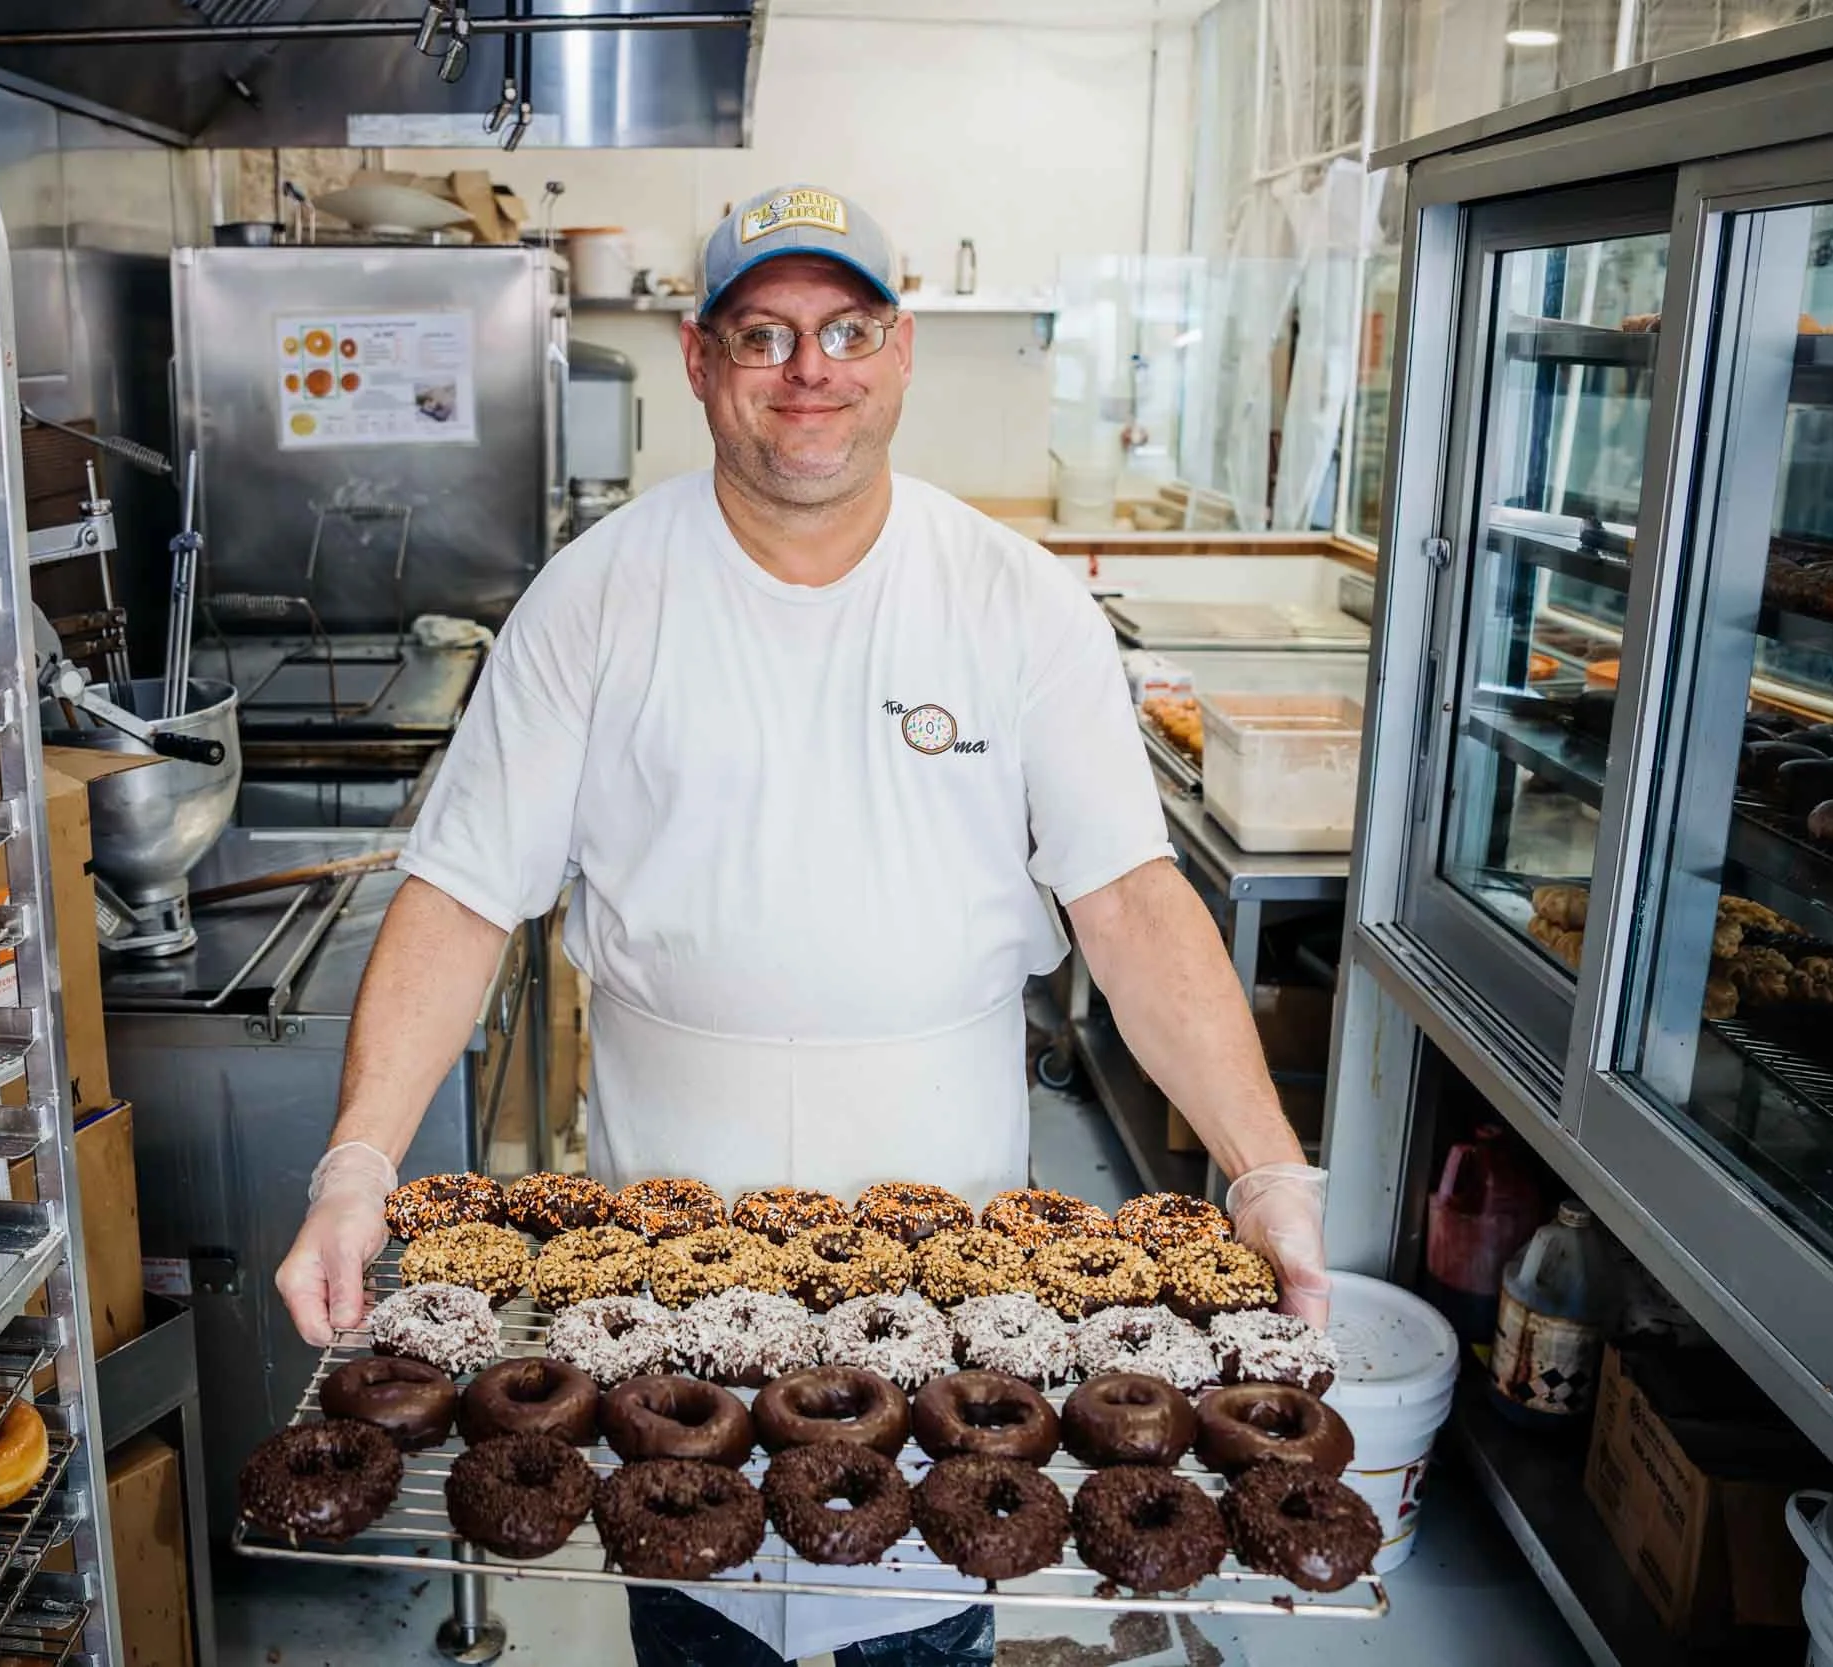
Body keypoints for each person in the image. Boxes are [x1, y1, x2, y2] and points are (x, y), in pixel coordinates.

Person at [275, 184, 1329, 1667]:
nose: (808, 370)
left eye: (844, 330)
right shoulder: (594, 600)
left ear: (899, 355)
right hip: (666, 1230)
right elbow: (458, 894)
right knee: (697, 1592)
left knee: (931, 1580)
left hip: (949, 1232)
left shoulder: (1013, 601)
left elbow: (1132, 900)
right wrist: (356, 1163)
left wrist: (1265, 1165)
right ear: (700, 362)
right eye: (763, 335)